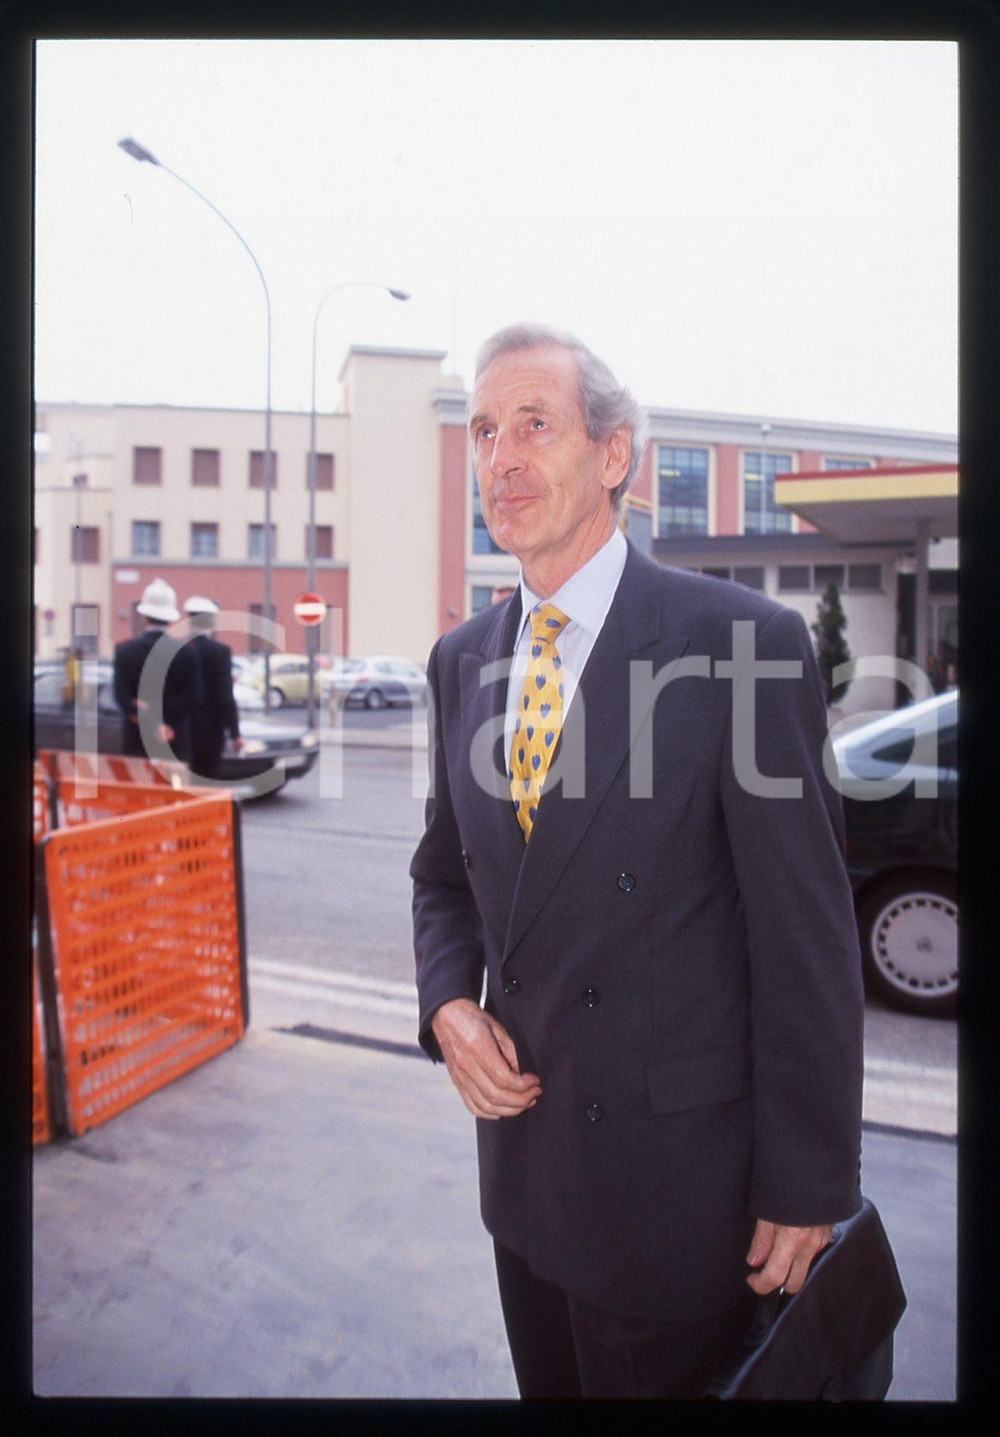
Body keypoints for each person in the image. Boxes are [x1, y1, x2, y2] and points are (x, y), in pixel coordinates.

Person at [410, 324, 865, 1400]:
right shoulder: (461, 658)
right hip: (519, 1185)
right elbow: (443, 877)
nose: (502, 458)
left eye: (535, 424)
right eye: (483, 432)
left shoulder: (736, 645)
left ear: (615, 456)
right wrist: (446, 1007)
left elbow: (804, 938)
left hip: (677, 1204)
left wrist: (805, 1184)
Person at [113, 578, 200, 765]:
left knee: (136, 791)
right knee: (174, 792)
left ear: (144, 617)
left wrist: (144, 712)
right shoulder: (187, 652)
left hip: (136, 738)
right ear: (170, 619)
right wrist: (164, 722)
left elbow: (120, 696)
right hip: (173, 738)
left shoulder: (125, 651)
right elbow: (193, 696)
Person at [183, 596, 242, 780]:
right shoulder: (219, 651)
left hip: (181, 730)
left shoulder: (175, 649)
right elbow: (224, 694)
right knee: (206, 782)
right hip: (210, 731)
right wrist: (235, 733)